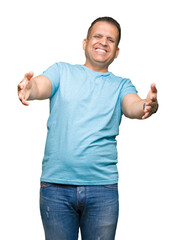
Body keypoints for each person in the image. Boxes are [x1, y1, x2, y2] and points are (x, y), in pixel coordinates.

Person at [18, 17, 158, 240]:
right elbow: (41, 85)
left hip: (102, 189)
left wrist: (147, 106)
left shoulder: (121, 85)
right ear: (85, 43)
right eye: (98, 36)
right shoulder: (61, 71)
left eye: (110, 40)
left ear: (117, 51)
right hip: (56, 188)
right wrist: (30, 88)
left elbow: (133, 105)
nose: (103, 42)